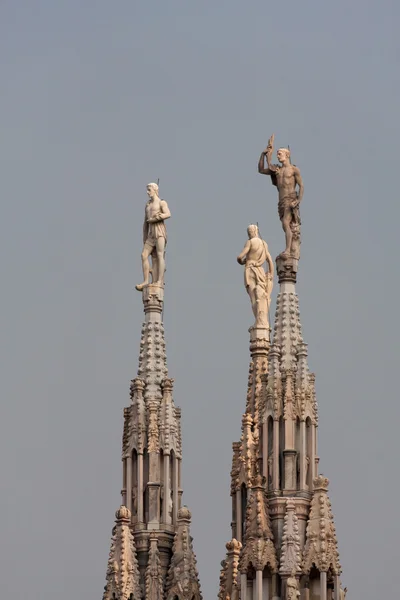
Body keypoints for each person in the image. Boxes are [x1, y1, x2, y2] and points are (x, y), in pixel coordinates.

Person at [136, 183, 171, 291]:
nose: (147, 192)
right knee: (144, 255)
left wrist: (156, 218)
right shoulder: (148, 205)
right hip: (150, 234)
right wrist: (144, 237)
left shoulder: (162, 202)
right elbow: (145, 223)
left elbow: (168, 214)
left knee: (160, 255)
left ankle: (159, 280)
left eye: (149, 189)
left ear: (155, 190)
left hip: (159, 231)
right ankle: (146, 280)